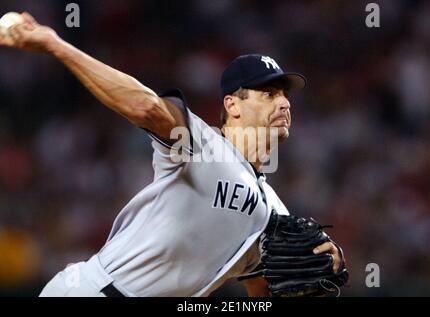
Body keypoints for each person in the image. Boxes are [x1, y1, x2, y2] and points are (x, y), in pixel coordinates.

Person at [0, 12, 344, 297]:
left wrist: (319, 273)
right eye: (268, 93)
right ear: (232, 105)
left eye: (285, 95)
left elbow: (260, 292)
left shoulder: (273, 212)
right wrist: (55, 45)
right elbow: (146, 106)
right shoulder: (199, 142)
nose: (284, 102)